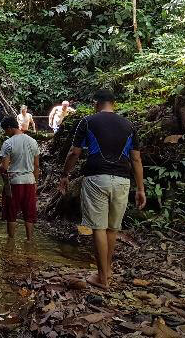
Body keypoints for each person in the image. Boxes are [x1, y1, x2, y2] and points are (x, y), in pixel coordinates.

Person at [58, 89, 146, 289]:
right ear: (113, 103)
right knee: (112, 229)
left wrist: (64, 175)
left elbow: (74, 152)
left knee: (98, 227)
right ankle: (107, 271)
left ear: (96, 103)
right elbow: (136, 158)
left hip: (97, 178)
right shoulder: (129, 125)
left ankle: (102, 278)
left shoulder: (88, 121)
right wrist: (140, 188)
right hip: (123, 180)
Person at [0, 117, 40, 241]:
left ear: (10, 128)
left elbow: (4, 166)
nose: (5, 133)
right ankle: (30, 240)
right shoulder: (33, 141)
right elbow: (37, 165)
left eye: (5, 130)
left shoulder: (8, 143)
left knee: (11, 214)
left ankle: (10, 242)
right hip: (29, 180)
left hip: (14, 183)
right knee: (29, 214)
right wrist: (36, 182)